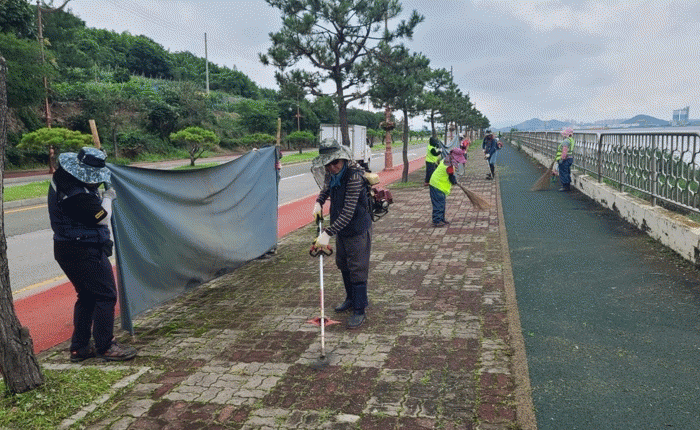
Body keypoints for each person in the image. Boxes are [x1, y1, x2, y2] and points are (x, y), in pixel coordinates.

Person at [48, 147, 137, 362]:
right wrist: (108, 198)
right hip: (83, 250)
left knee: (87, 296)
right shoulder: (76, 196)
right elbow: (102, 217)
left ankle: (79, 348)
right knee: (106, 295)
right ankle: (105, 346)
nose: (96, 182)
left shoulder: (63, 176)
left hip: (66, 248)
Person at [311, 139, 372, 329]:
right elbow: (326, 189)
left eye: (335, 162)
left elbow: (348, 211)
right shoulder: (331, 174)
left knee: (357, 267)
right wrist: (319, 202)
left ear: (343, 159)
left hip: (357, 227)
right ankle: (350, 299)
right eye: (327, 164)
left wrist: (327, 233)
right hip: (341, 228)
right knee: (343, 263)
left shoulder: (354, 177)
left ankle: (359, 309)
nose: (332, 167)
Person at [429, 148, 465, 227]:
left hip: (437, 184)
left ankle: (441, 219)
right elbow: (451, 176)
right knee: (439, 204)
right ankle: (437, 221)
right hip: (437, 185)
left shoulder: (447, 159)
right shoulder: (449, 165)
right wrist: (453, 180)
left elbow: (450, 175)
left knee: (441, 203)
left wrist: (453, 179)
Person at [555, 127, 575, 192]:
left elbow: (564, 151)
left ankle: (565, 187)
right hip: (570, 158)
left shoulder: (566, 141)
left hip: (565, 159)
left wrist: (562, 159)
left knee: (563, 173)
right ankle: (567, 185)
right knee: (567, 172)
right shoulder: (571, 140)